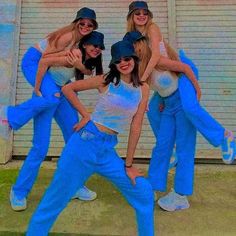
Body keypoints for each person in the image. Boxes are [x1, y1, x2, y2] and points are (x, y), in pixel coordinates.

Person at [26, 40, 154, 236]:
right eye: (118, 61)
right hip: (84, 144)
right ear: (114, 64)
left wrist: (129, 165)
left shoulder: (143, 88)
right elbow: (68, 89)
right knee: (55, 199)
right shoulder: (106, 80)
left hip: (106, 150)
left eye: (127, 58)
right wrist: (85, 115)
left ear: (134, 60)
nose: (123, 63)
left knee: (143, 191)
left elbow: (136, 126)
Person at [126, 1, 236, 211]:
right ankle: (153, 187)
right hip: (168, 102)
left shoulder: (155, 49)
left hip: (184, 81)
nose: (141, 16)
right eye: (136, 13)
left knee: (189, 119)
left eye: (144, 12)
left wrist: (197, 88)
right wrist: (154, 99)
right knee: (162, 145)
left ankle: (225, 138)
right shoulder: (139, 65)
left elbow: (184, 67)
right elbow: (147, 88)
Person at [0, 9, 103, 211]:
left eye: (89, 26)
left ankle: (73, 186)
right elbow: (44, 60)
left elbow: (89, 77)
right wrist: (38, 88)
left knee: (75, 136)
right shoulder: (67, 41)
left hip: (57, 86)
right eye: (82, 23)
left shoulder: (81, 52)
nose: (85, 28)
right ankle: (19, 191)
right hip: (35, 64)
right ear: (76, 23)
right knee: (41, 145)